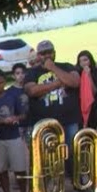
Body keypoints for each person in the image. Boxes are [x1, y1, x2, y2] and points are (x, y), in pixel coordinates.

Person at [24, 40, 81, 179]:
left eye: (49, 52)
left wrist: (53, 68)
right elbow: (32, 91)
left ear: (54, 52)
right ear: (38, 56)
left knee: (72, 151)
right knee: (46, 154)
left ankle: (77, 181)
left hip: (69, 119)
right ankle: (48, 186)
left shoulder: (66, 66)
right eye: (43, 53)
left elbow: (74, 82)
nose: (47, 56)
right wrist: (58, 83)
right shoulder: (32, 72)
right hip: (44, 122)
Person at [77, 50, 97, 131]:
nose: (83, 63)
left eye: (85, 60)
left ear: (90, 60)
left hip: (94, 108)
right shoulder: (77, 73)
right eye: (80, 61)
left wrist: (89, 76)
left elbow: (94, 91)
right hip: (80, 107)